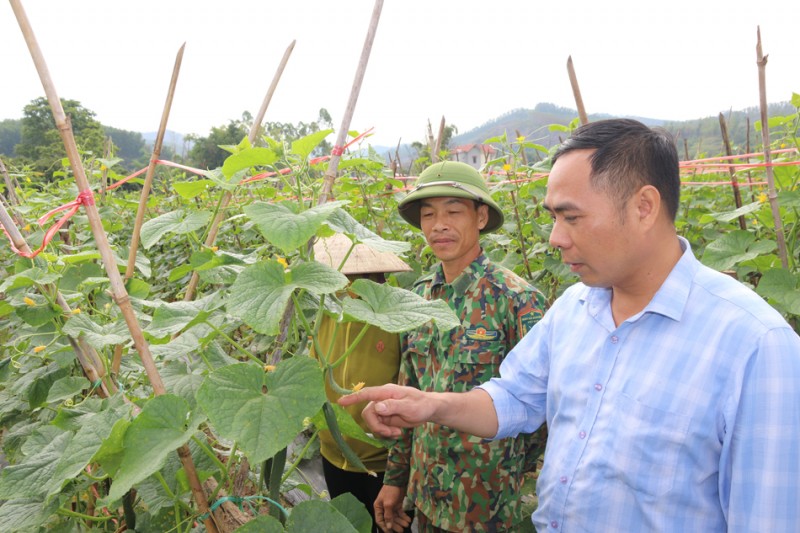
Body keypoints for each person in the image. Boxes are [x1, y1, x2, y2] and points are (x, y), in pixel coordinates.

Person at [341, 119, 800, 531]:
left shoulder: (756, 346)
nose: (556, 238)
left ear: (644, 207)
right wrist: (432, 405)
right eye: (554, 217)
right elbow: (516, 396)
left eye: (572, 217)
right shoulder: (575, 308)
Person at [374, 161, 548, 532]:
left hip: (486, 501)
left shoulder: (517, 300)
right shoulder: (418, 297)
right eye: (428, 215)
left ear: (481, 217)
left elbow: (542, 409)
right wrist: (395, 477)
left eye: (453, 211)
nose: (439, 225)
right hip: (426, 492)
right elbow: (409, 392)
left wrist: (509, 469)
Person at [312, 233, 414, 533]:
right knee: (349, 525)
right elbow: (314, 369)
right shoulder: (325, 313)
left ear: (379, 277)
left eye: (360, 278)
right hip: (332, 451)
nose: (349, 288)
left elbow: (412, 393)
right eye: (342, 278)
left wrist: (400, 470)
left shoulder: (397, 317)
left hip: (382, 461)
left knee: (390, 527)